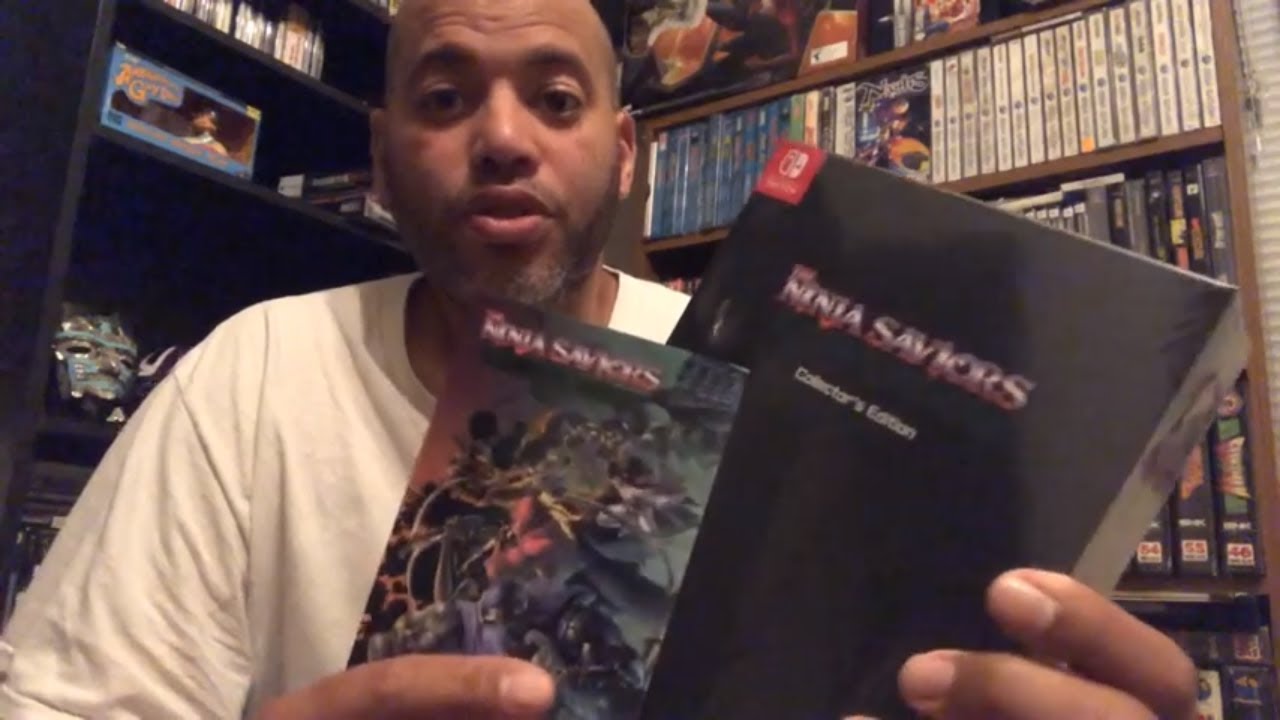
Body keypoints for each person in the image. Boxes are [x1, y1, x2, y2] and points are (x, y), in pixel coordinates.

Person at [0, 0, 1199, 718]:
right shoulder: (253, 370)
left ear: (625, 155)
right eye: (444, 98)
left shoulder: (764, 373)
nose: (502, 138)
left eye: (556, 99)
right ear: (380, 157)